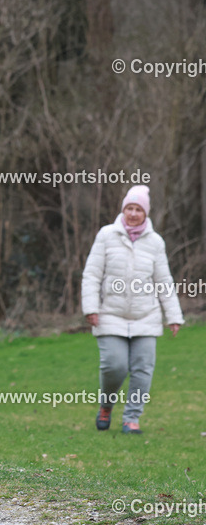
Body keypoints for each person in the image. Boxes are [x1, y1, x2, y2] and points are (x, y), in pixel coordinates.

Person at [81, 185, 182, 435]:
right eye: (129, 208)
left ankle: (131, 418)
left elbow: (164, 281)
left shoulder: (155, 242)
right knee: (114, 366)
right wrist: (91, 307)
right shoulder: (106, 235)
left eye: (138, 209)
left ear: (145, 214)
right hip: (110, 314)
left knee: (142, 369)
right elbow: (92, 274)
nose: (133, 213)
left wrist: (173, 316)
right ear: (123, 210)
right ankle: (106, 406)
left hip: (146, 316)